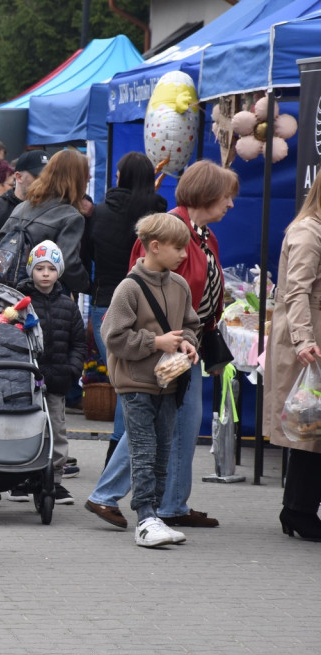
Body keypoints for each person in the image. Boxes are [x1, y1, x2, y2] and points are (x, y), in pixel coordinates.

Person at [86, 160, 238, 530]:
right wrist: (164, 340)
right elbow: (146, 293)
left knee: (180, 426)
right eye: (227, 196)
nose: (232, 204)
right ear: (209, 193)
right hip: (162, 355)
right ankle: (111, 496)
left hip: (185, 347)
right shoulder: (172, 231)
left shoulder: (201, 234)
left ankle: (171, 503)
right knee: (154, 428)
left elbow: (195, 293)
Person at [101, 213, 200, 547]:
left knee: (162, 452)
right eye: (178, 248)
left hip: (170, 383)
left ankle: (154, 515)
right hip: (135, 384)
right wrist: (155, 343)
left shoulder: (180, 286)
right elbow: (113, 337)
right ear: (155, 247)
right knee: (143, 449)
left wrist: (188, 342)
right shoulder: (129, 288)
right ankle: (144, 517)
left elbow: (191, 325)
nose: (184, 254)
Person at [86, 152, 167, 463]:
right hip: (149, 303)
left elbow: (87, 256)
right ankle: (125, 448)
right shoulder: (158, 214)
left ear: (120, 177)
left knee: (119, 378)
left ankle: (118, 449)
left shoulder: (99, 213)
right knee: (139, 381)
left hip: (105, 299)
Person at [5, 241, 84, 505]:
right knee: (25, 427)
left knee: (57, 430)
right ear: (31, 270)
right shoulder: (19, 304)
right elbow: (8, 335)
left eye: (51, 268)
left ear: (59, 271)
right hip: (26, 378)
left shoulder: (68, 306)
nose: (46, 273)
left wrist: (73, 370)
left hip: (58, 378)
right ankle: (21, 479)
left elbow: (78, 343)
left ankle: (55, 481)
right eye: (40, 268)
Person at [264, 178, 321, 542]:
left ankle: (297, 509)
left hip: (310, 336)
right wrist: (304, 340)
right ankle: (298, 510)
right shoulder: (309, 232)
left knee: (312, 428)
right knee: (309, 428)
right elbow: (297, 290)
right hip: (310, 339)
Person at [0, 148, 90, 293]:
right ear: (77, 179)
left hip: (12, 293)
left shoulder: (22, 206)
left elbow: (1, 243)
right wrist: (86, 285)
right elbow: (68, 263)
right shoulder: (71, 216)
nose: (89, 178)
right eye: (86, 176)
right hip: (48, 297)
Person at [0, 150, 48, 257]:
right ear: (19, 177)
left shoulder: (52, 208)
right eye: (39, 177)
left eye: (49, 178)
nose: (45, 183)